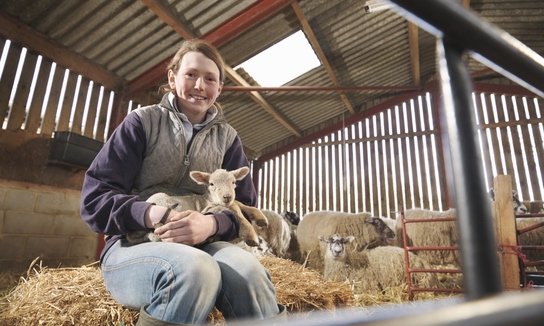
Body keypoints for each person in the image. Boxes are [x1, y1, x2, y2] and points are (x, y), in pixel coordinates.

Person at [80, 39, 283, 325]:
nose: (200, 85)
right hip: (134, 244)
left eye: (210, 79)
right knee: (195, 270)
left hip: (206, 241)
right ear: (173, 79)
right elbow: (94, 199)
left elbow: (245, 205)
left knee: (249, 271)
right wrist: (153, 214)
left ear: (219, 88)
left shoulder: (227, 138)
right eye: (191, 75)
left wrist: (211, 225)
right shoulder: (141, 123)